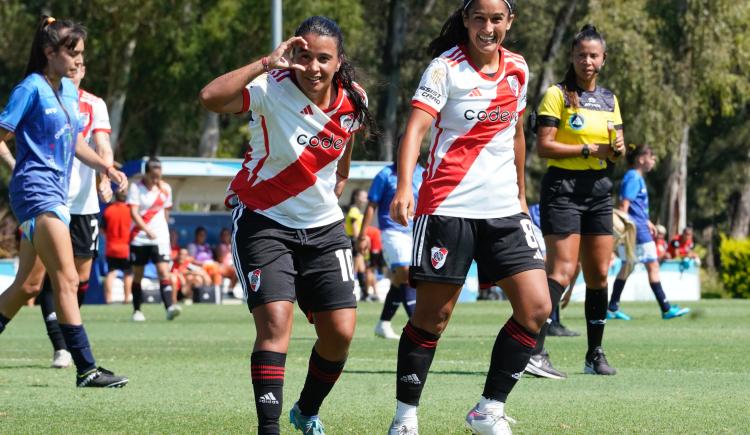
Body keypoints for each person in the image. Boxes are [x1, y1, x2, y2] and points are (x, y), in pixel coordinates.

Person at [199, 15, 372, 435]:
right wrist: (265, 62)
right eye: (304, 56)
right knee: (276, 324)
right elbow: (210, 98)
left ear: (339, 60)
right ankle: (269, 430)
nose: (313, 67)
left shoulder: (355, 98)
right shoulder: (269, 88)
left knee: (340, 334)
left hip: (324, 227)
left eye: (323, 59)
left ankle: (306, 410)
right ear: (293, 54)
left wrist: (341, 178)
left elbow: (345, 141)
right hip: (263, 220)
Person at [388, 1, 551, 433]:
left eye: (496, 19)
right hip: (448, 207)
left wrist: (520, 194)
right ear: (466, 20)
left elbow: (516, 133)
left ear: (509, 22)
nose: (487, 27)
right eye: (479, 18)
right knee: (432, 319)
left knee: (536, 308)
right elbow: (415, 130)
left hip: (503, 210)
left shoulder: (518, 67)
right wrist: (405, 185)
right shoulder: (445, 69)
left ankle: (488, 410)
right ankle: (405, 418)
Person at [0, 16, 128, 387]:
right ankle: (86, 368)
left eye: (81, 55)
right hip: (35, 192)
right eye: (72, 54)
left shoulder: (68, 92)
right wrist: (16, 166)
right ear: (49, 52)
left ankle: (84, 366)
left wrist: (106, 166)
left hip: (55, 194)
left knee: (25, 287)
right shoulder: (31, 88)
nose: (78, 62)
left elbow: (74, 143)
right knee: (67, 278)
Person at [534, 23, 625, 378]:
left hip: (599, 189)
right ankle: (533, 347)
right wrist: (587, 148)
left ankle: (594, 354)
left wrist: (617, 150)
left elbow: (616, 150)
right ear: (571, 57)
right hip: (564, 188)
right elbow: (544, 146)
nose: (587, 61)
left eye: (593, 55)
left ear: (603, 59)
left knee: (599, 274)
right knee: (562, 271)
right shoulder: (556, 94)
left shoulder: (609, 100)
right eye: (581, 54)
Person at [608, 144, 690, 320]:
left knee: (627, 266)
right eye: (651, 156)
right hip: (637, 231)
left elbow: (635, 207)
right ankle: (666, 308)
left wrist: (647, 221)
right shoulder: (633, 177)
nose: (653, 160)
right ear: (641, 159)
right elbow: (624, 206)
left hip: (639, 227)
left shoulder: (635, 177)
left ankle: (612, 307)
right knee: (652, 265)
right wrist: (630, 229)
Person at [358, 151, 424, 340]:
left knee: (399, 279)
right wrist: (363, 235)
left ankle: (383, 323)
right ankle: (417, 326)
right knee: (404, 271)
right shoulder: (384, 174)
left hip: (415, 231)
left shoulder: (422, 173)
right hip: (392, 231)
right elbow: (372, 205)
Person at [128, 157, 181, 322]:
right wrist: (146, 230)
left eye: (158, 176)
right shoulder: (136, 188)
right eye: (153, 176)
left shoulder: (165, 189)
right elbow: (134, 213)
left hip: (160, 237)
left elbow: (166, 211)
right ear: (147, 174)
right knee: (138, 275)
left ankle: (169, 307)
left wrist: (164, 229)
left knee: (164, 272)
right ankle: (137, 310)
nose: (156, 179)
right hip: (140, 237)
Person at [103, 190, 133, 304]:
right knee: (128, 273)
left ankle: (109, 299)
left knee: (111, 272)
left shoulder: (109, 210)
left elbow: (102, 229)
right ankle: (127, 298)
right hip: (126, 248)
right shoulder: (130, 210)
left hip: (111, 247)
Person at [344, 188, 369, 300]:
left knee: (361, 268)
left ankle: (365, 294)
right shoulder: (354, 211)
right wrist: (360, 239)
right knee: (354, 268)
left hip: (357, 240)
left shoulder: (357, 211)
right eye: (363, 196)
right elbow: (355, 230)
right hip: (355, 241)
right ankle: (349, 293)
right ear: (356, 197)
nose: (365, 199)